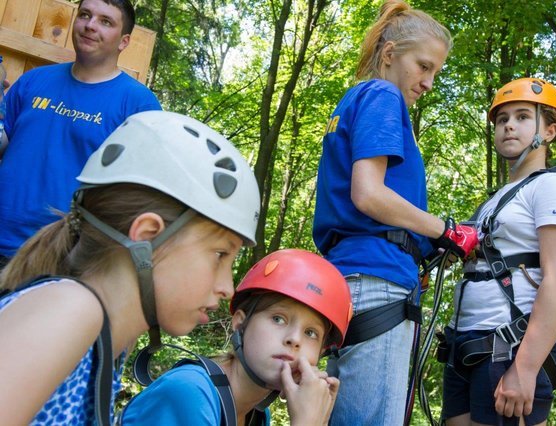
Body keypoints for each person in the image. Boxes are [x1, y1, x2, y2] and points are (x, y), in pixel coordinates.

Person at [0, 110, 260, 424]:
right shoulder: (68, 310)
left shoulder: (104, 344)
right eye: (220, 255)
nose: (227, 287)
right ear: (148, 236)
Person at [312, 1, 477, 424]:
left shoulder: (353, 101)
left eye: (435, 72)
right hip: (378, 280)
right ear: (389, 54)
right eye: (423, 67)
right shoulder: (382, 95)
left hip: (350, 279)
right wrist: (447, 231)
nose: (429, 83)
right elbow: (369, 195)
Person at [441, 78, 556, 426]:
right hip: (467, 344)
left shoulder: (553, 186)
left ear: (549, 131)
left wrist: (525, 368)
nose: (508, 124)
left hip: (512, 346)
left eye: (523, 116)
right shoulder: (494, 201)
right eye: (502, 118)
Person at [0, 0, 161, 268]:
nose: (90, 25)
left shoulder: (138, 105)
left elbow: (139, 193)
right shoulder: (34, 80)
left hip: (57, 256)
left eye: (105, 21)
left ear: (123, 42)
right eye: (85, 15)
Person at [120, 248, 353, 426]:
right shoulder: (189, 392)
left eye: (311, 333)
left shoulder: (257, 415)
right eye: (278, 319)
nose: (294, 339)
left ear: (320, 354)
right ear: (240, 323)